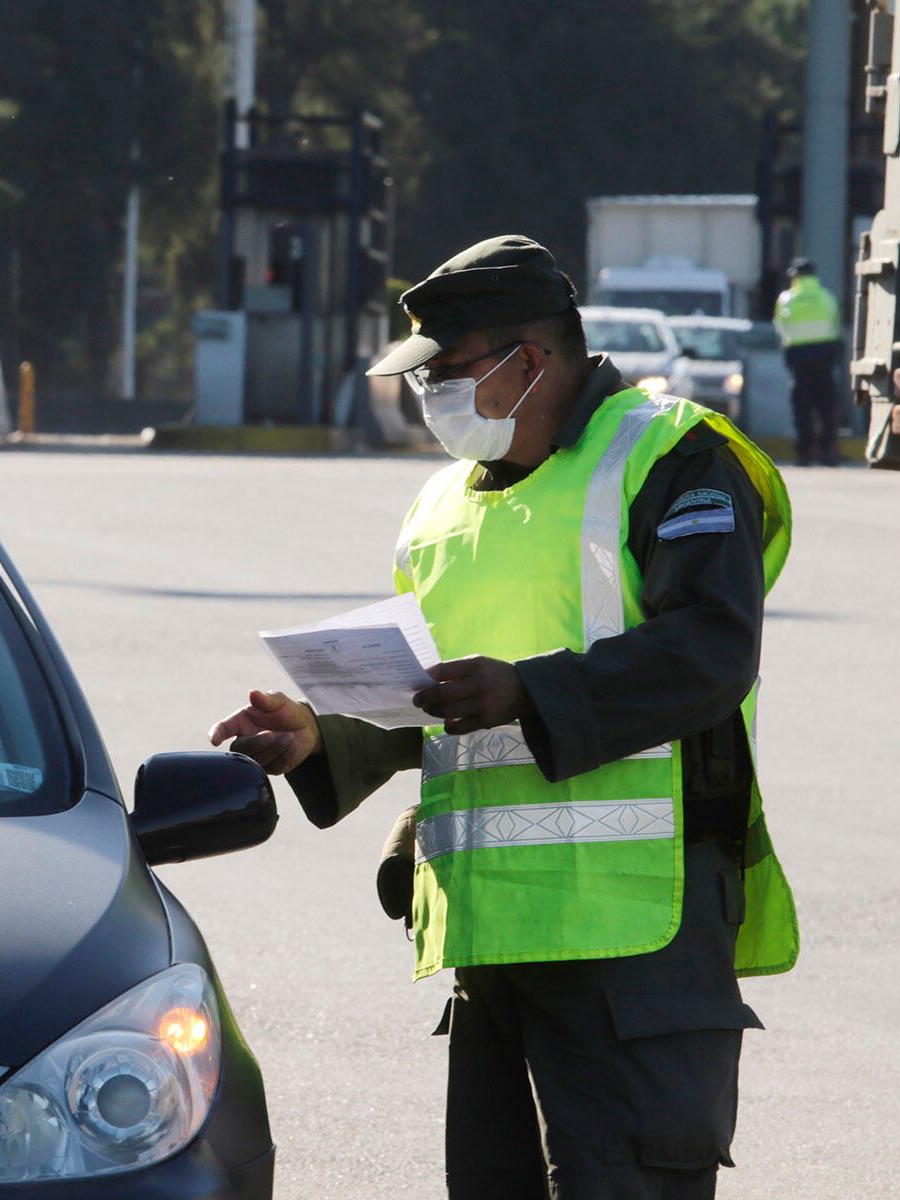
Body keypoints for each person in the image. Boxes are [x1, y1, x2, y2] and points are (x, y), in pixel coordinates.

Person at [209, 235, 798, 1199]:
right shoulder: (441, 508)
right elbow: (439, 694)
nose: (429, 394)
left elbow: (711, 652)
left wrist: (530, 691)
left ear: (530, 361)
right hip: (492, 945)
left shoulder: (672, 455)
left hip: (633, 934)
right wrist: (328, 734)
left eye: (448, 370)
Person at [771, 257, 843, 466]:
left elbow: (780, 326)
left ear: (795, 276)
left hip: (798, 358)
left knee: (802, 408)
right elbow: (835, 325)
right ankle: (828, 452)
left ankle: (804, 453)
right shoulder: (826, 297)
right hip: (824, 357)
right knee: (827, 407)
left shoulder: (787, 299)